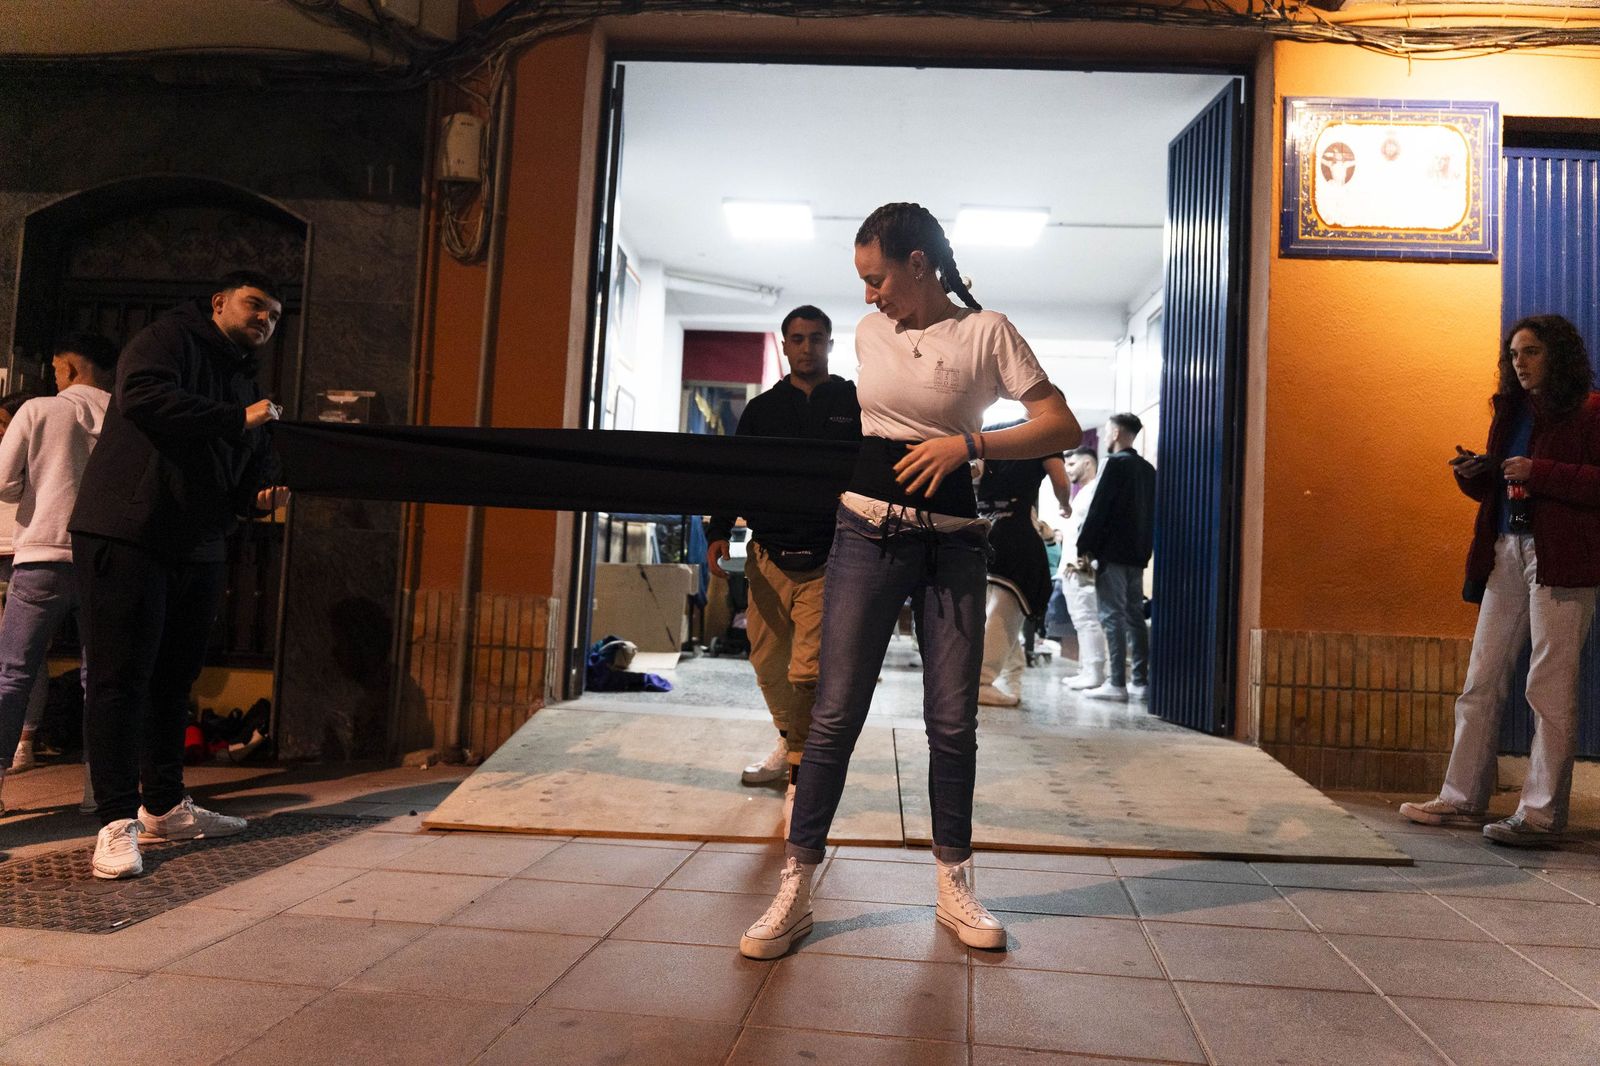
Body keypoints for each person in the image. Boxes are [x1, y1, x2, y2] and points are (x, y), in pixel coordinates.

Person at [739, 203, 1081, 959]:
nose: (869, 297)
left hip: (954, 544)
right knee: (834, 716)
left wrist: (970, 445)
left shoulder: (988, 331)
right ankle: (796, 882)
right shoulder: (870, 333)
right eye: (862, 282)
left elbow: (1061, 426)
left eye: (877, 278)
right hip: (867, 533)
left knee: (954, 723)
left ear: (918, 264)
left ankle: (954, 881)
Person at [71, 270, 287, 879]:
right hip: (128, 530)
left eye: (274, 316)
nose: (264, 321)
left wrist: (258, 495)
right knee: (119, 679)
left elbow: (241, 458)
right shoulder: (168, 338)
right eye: (254, 306)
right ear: (219, 302)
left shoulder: (243, 377)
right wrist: (235, 419)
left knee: (174, 680)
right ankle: (115, 822)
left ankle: (163, 804)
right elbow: (141, 396)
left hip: (197, 542)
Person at [1401, 314, 1600, 846]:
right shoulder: (1511, 411)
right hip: (1506, 549)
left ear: (1557, 355)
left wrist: (1542, 473)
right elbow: (1501, 488)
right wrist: (1477, 476)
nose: (1520, 363)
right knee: (1480, 678)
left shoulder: (1590, 410)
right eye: (1514, 354)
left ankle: (1540, 813)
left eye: (1531, 352)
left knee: (1548, 684)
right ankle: (1462, 797)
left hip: (1562, 558)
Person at [705, 306, 861, 819]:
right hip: (767, 552)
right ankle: (789, 741)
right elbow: (733, 473)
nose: (807, 348)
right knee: (768, 665)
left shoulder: (853, 403)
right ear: (785, 345)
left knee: (808, 671)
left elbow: (873, 470)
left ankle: (800, 766)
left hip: (831, 553)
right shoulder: (762, 409)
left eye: (817, 338)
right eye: (797, 339)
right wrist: (718, 532)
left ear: (830, 344)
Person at [0, 335, 116, 815]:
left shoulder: (39, 411)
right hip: (106, 562)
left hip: (41, 557)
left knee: (11, 674)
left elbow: (3, 483)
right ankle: (99, 790)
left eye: (54, 368)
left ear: (69, 368)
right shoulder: (128, 416)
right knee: (101, 678)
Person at [975, 420, 1071, 707]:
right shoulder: (1047, 434)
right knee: (1006, 611)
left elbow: (973, 472)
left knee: (999, 607)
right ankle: (981, 680)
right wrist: (1065, 504)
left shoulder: (994, 432)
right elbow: (1060, 480)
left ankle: (1009, 679)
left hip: (985, 526)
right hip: (1017, 529)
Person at [1077, 413, 1155, 702]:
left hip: (1112, 553)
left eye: (1109, 430)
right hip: (1138, 554)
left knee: (1112, 615)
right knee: (1135, 616)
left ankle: (1116, 683)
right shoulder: (1148, 470)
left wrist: (1085, 546)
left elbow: (1100, 509)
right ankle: (1139, 680)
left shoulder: (1114, 466)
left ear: (1117, 433)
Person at [1057, 446, 1109, 690]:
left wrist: (1082, 562)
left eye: (1072, 464)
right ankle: (1087, 669)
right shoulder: (1083, 493)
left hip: (1083, 564)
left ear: (1088, 463)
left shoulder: (1093, 492)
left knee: (1088, 617)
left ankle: (1096, 671)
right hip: (1072, 564)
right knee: (1080, 618)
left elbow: (1093, 532)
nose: (1067, 470)